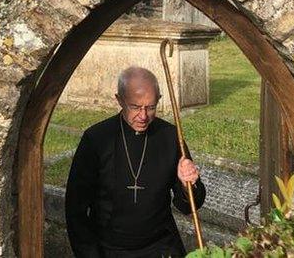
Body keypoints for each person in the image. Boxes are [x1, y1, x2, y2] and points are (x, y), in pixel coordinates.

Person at [65, 66, 206, 257]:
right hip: (110, 249)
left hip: (160, 246)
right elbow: (76, 209)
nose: (143, 116)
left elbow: (189, 206)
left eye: (151, 107)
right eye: (135, 106)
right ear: (119, 100)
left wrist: (187, 184)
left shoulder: (170, 137)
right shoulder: (97, 138)